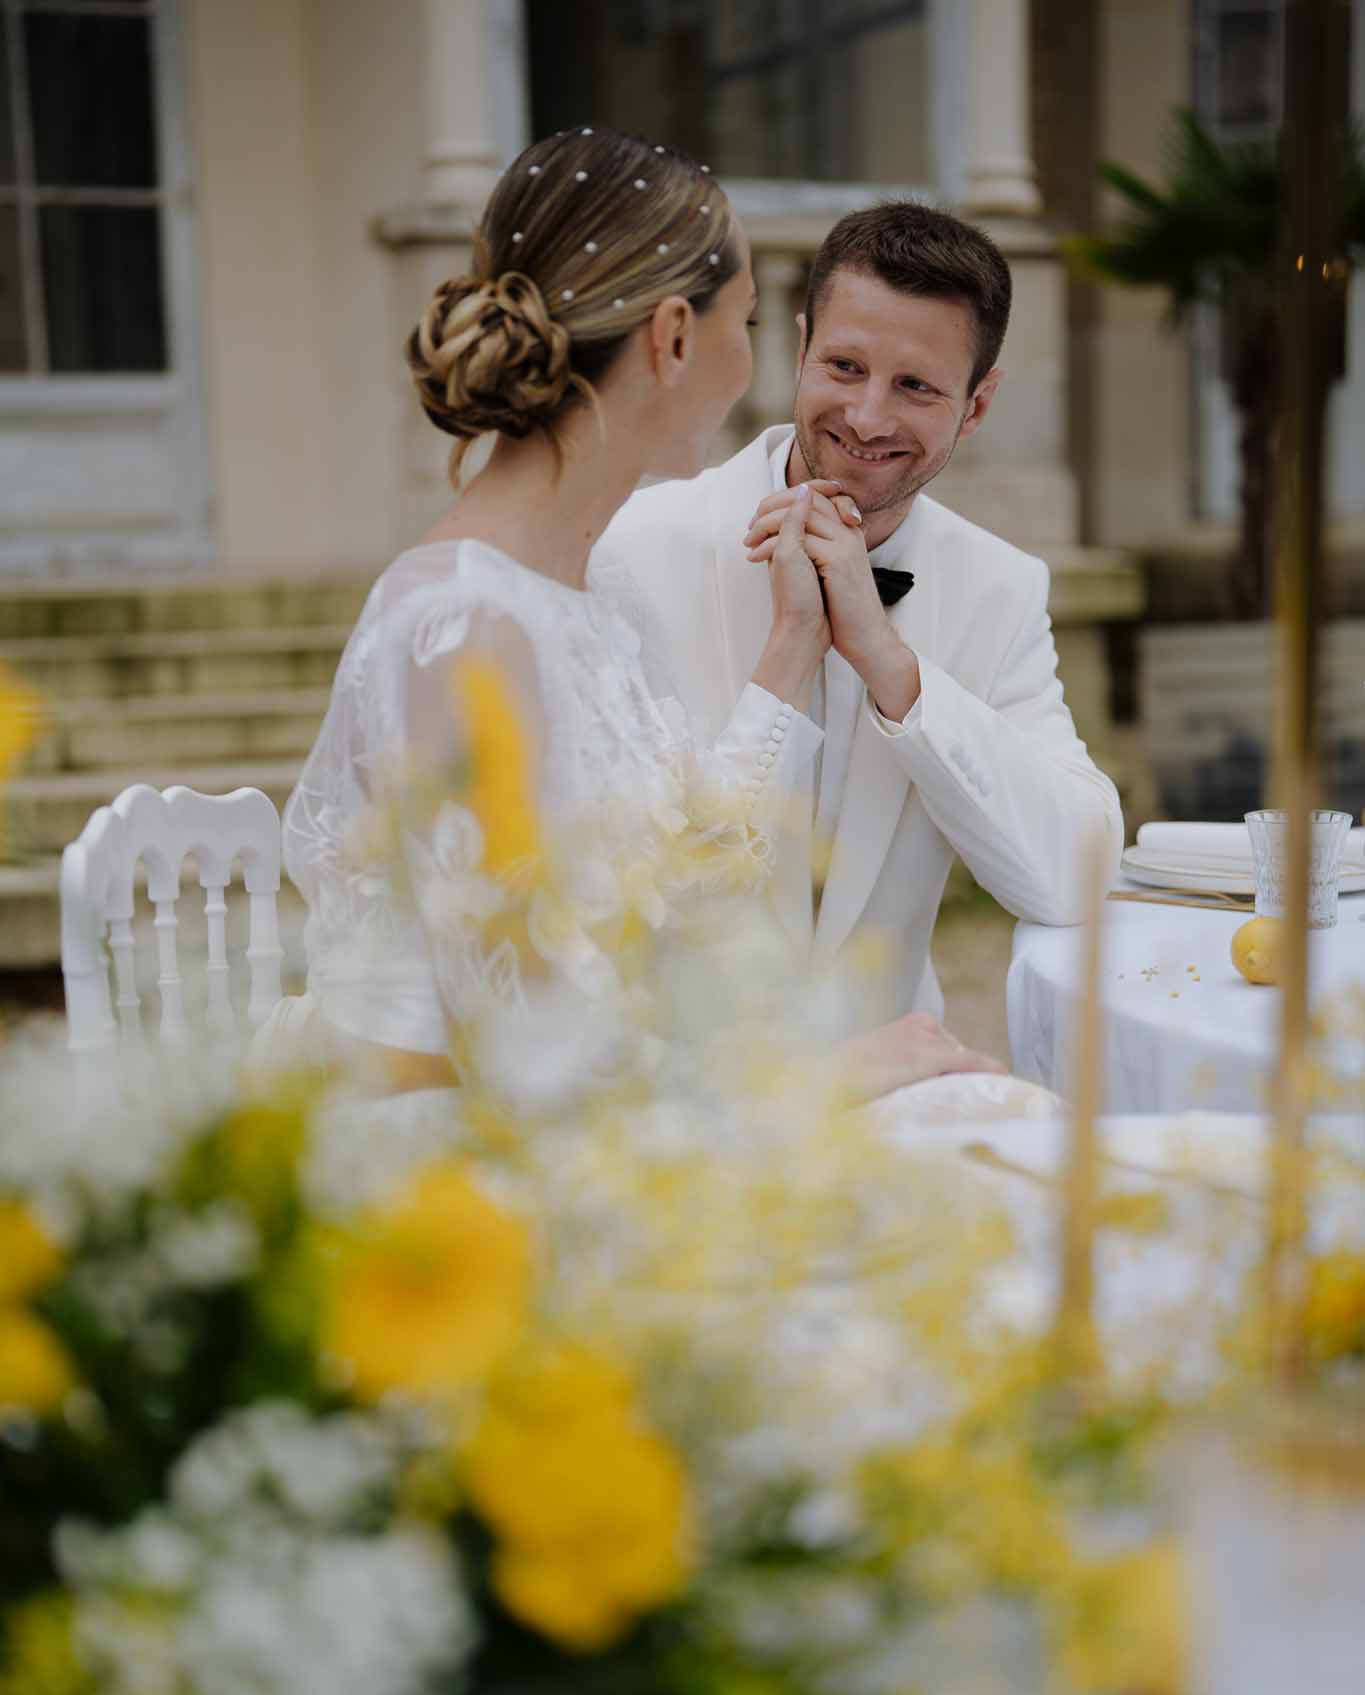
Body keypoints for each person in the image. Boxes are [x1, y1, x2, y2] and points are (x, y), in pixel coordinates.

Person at [277, 131, 1003, 1102]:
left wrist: (795, 638)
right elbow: (533, 1059)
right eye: (745, 320)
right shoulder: (456, 627)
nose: (752, 366)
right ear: (671, 338)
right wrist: (821, 1073)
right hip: (450, 1181)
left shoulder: (584, 588)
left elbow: (675, 882)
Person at [597, 201, 1124, 1029]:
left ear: (977, 405)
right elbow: (609, 898)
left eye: (914, 386)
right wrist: (794, 643)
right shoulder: (630, 550)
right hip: (675, 1108)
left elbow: (1078, 875)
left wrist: (892, 668)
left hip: (891, 1104)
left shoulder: (999, 588)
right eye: (844, 367)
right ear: (801, 346)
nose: (868, 418)